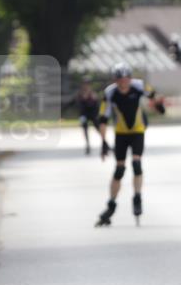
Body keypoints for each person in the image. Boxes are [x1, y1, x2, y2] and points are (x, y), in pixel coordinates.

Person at [95, 62, 165, 227]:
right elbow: (103, 119)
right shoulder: (110, 92)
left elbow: (153, 95)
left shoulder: (139, 86)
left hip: (137, 132)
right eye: (120, 80)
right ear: (115, 80)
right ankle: (111, 204)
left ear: (130, 79)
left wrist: (158, 105)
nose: (123, 83)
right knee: (119, 169)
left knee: (136, 163)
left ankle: (137, 197)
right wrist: (103, 142)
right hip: (120, 134)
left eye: (126, 79)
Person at [68, 79, 99, 155]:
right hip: (84, 115)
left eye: (87, 84)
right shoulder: (80, 94)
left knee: (98, 128)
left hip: (92, 115)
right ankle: (88, 145)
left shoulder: (93, 94)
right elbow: (73, 103)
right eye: (84, 84)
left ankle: (106, 144)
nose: (86, 86)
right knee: (85, 130)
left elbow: (96, 105)